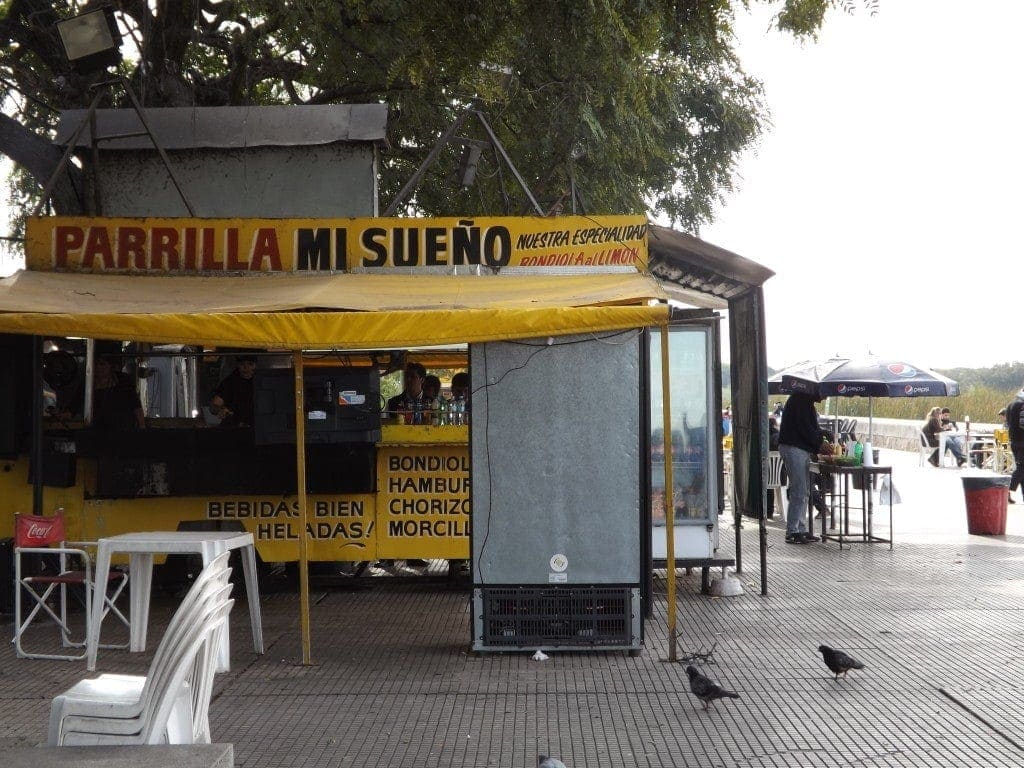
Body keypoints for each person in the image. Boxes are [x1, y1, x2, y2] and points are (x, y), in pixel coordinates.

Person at [778, 391, 830, 544]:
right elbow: (805, 429)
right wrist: (820, 443)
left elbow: (810, 428)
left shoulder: (805, 402)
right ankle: (792, 531)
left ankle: (800, 528)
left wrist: (823, 434)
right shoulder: (800, 400)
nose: (826, 396)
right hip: (794, 448)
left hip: (799, 448)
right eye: (825, 392)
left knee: (805, 491)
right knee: (799, 490)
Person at [92, 355, 145, 430]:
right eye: (95, 364)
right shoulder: (88, 384)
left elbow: (136, 405)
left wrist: (142, 427)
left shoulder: (124, 381)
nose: (98, 367)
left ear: (110, 365)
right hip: (98, 430)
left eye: (102, 364)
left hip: (123, 430)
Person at [210, 354, 257, 427]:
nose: (246, 367)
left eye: (250, 364)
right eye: (242, 364)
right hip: (233, 428)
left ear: (255, 366)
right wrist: (221, 409)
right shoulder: (229, 383)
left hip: (257, 427)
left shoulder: (262, 382)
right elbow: (214, 406)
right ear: (238, 365)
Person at [1007, 389, 1024, 504]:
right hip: (1022, 441)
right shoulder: (1022, 405)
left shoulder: (1011, 404)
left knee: (1022, 468)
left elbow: (1008, 423)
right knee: (1021, 468)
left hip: (1014, 440)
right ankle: (1006, 490)